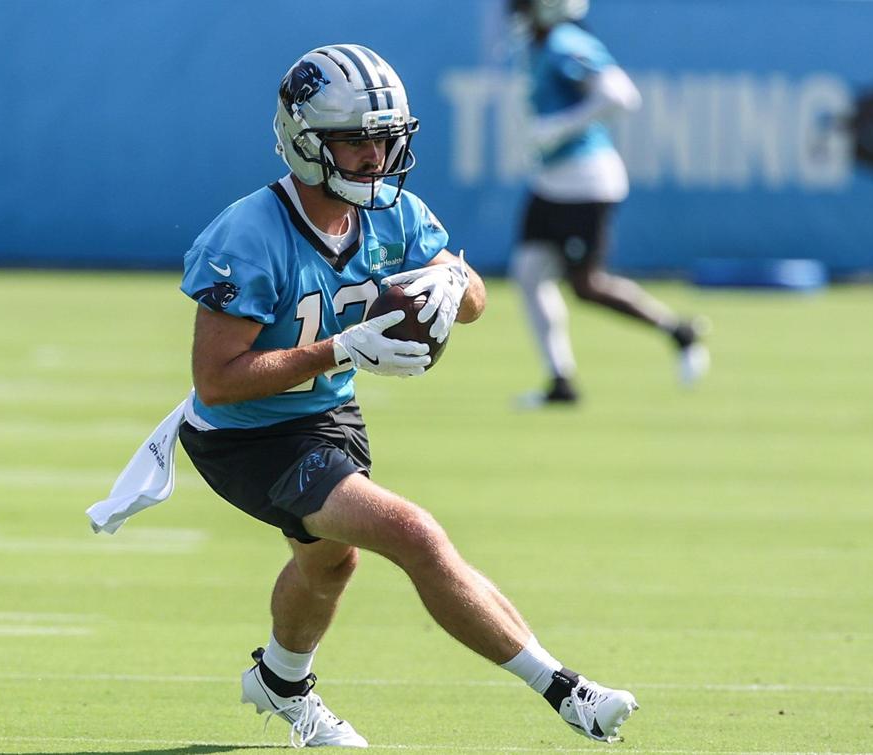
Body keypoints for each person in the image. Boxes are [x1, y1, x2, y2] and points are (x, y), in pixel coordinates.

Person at [175, 44, 638, 748]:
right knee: (412, 533)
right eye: (355, 140)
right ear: (304, 140)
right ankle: (565, 688)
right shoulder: (248, 233)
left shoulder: (394, 210)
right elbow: (217, 379)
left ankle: (279, 682)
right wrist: (339, 347)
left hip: (328, 415)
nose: (374, 157)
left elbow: (476, 295)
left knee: (329, 560)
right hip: (245, 434)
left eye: (384, 139)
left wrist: (454, 284)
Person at [509, 0, 710, 405]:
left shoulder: (567, 42)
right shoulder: (542, 44)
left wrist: (561, 126)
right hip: (551, 181)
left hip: (585, 180)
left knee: (587, 285)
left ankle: (679, 332)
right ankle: (560, 381)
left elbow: (620, 95)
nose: (518, 11)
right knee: (530, 273)